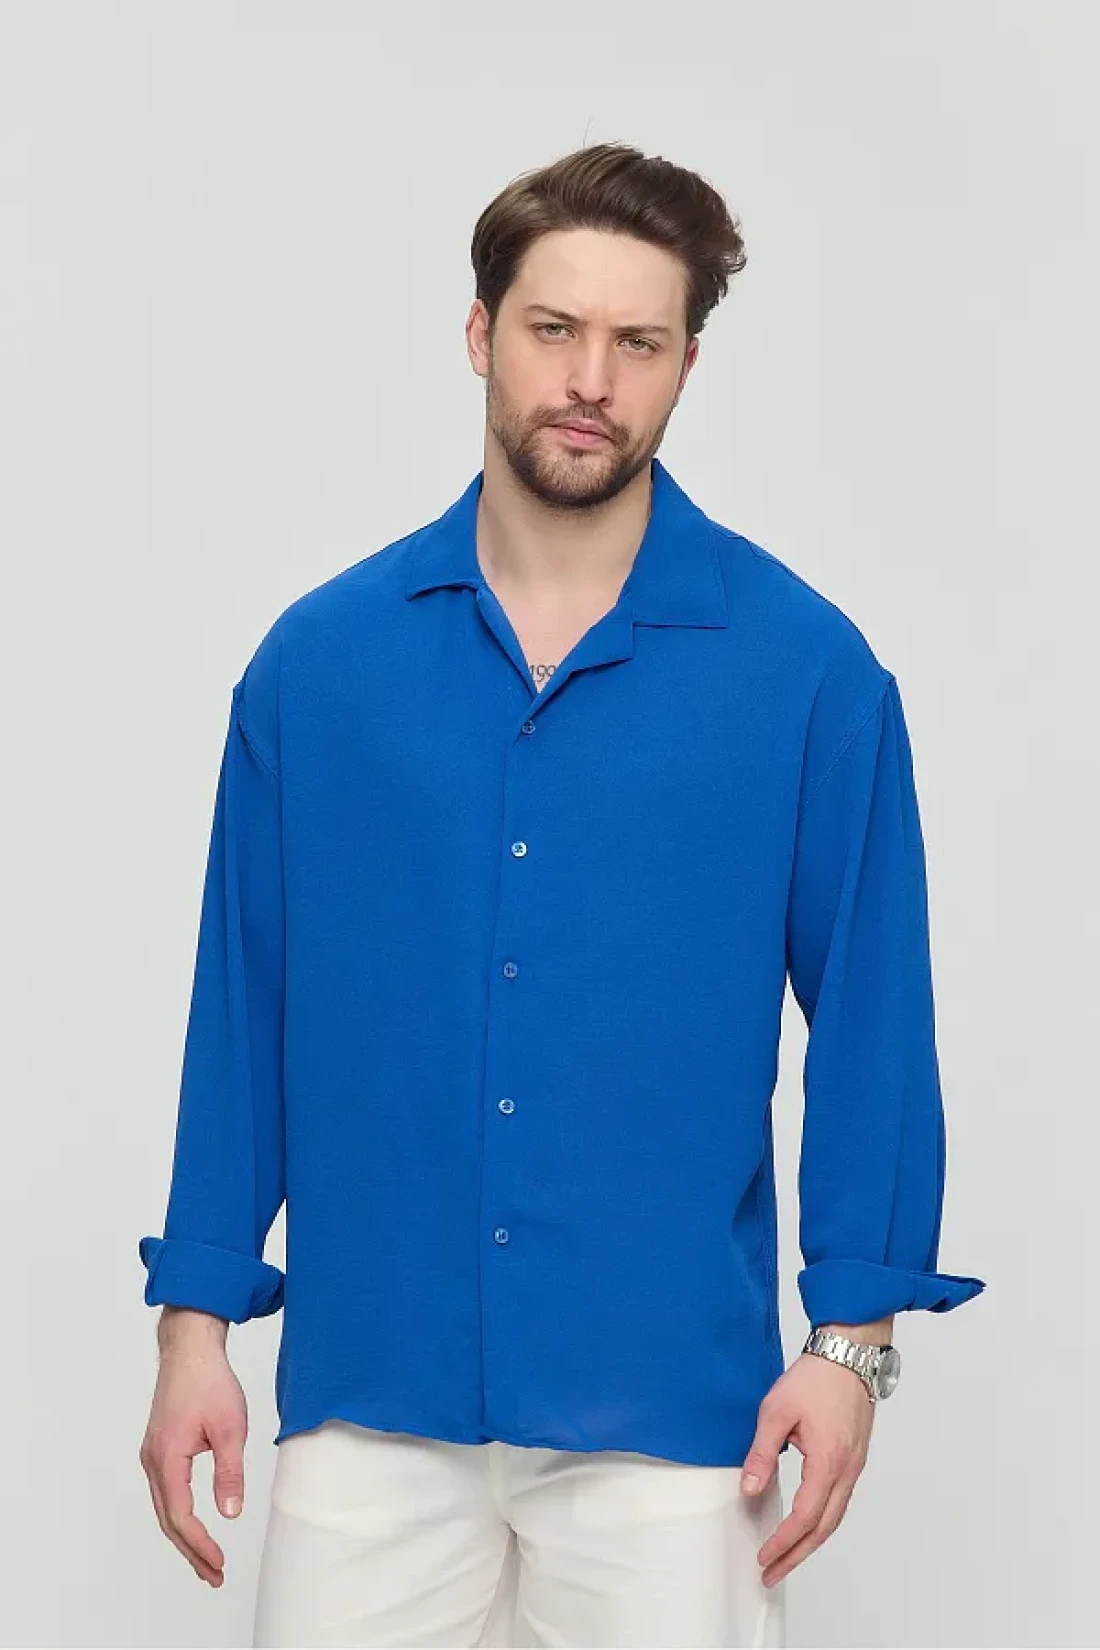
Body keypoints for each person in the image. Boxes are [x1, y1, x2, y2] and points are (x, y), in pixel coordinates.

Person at [137, 141, 986, 1649]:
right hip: (373, 1396)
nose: (592, 379)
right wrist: (194, 1321)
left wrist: (850, 1342)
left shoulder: (806, 673)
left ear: (686, 366)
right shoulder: (320, 666)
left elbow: (874, 1016)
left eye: (638, 342)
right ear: (481, 334)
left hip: (674, 1415)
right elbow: (246, 1007)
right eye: (554, 329)